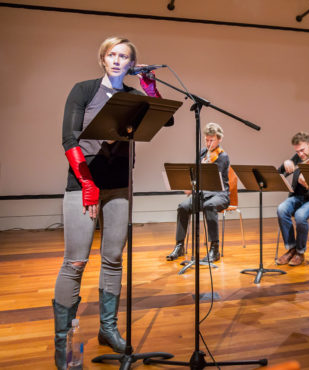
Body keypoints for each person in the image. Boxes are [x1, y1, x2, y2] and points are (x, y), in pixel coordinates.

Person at [53, 37, 171, 369]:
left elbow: (165, 120)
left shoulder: (133, 96)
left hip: (119, 186)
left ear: (133, 63)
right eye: (112, 55)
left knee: (114, 259)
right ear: (103, 59)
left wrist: (150, 90)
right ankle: (63, 341)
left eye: (125, 57)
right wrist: (86, 181)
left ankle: (108, 328)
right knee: (75, 262)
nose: (118, 60)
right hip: (83, 184)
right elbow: (68, 137)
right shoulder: (84, 90)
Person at [166, 122, 230, 263]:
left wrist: (199, 179)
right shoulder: (202, 153)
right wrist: (191, 184)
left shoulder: (223, 156)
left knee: (209, 206)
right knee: (183, 207)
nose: (208, 143)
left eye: (211, 140)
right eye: (206, 140)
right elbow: (194, 173)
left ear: (219, 139)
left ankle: (214, 249)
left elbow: (212, 180)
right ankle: (180, 245)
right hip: (202, 194)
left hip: (219, 194)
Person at [275, 132, 309, 266]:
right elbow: (279, 172)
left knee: (300, 215)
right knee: (281, 209)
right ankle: (291, 248)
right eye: (297, 151)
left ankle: (300, 252)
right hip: (298, 197)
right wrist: (285, 163)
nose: (300, 155)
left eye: (302, 150)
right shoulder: (298, 157)